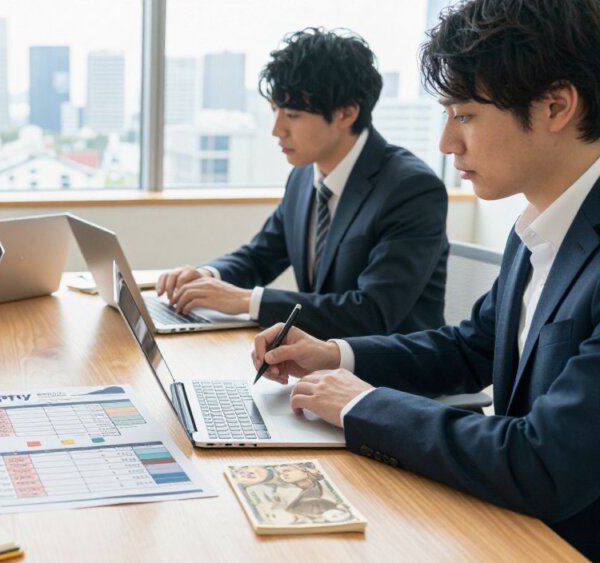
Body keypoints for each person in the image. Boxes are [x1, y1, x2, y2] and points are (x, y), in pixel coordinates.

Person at [251, 0, 600, 556]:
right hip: (510, 523)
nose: (446, 143)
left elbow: (544, 462)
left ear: (556, 105)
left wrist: (361, 405)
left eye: (464, 115)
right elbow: (471, 348)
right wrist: (335, 355)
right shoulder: (537, 226)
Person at [157, 28, 449, 339]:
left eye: (293, 115)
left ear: (347, 113)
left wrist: (245, 300)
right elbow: (261, 255)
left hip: (387, 376)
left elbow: (372, 313)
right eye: (274, 111)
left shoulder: (412, 190)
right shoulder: (303, 176)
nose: (276, 130)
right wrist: (207, 276)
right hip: (318, 364)